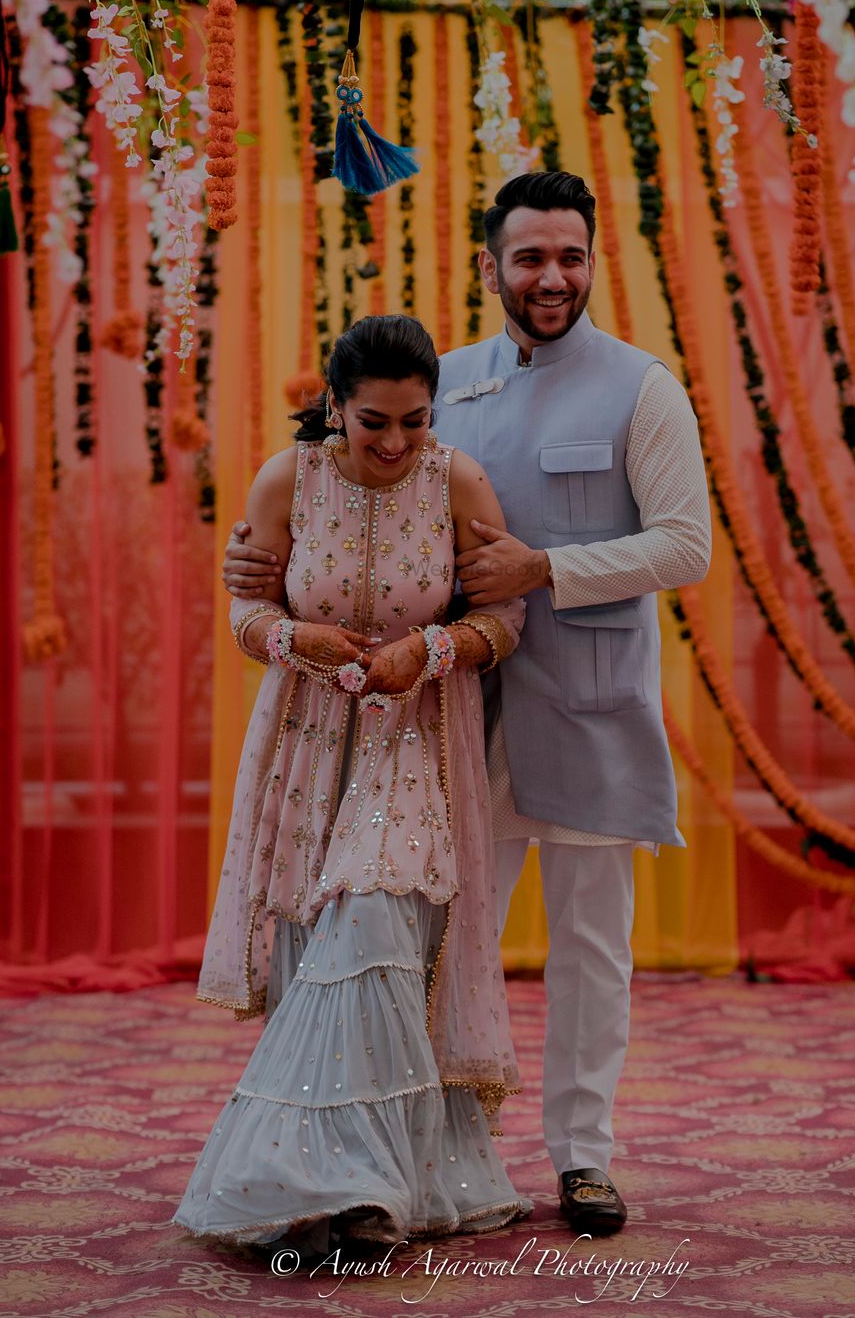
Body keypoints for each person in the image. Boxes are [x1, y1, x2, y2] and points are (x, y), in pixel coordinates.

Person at [223, 171, 712, 1238]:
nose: (551, 276)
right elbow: (350, 479)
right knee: (431, 945)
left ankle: (584, 1160)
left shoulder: (642, 386)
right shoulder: (446, 381)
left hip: (584, 710)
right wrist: (258, 566)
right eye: (529, 256)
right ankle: (430, 1157)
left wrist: (546, 570)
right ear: (488, 264)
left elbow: (685, 546)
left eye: (570, 256)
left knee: (590, 945)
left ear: (593, 260)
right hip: (444, 718)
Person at [174, 314, 532, 1254]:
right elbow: (247, 610)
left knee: (372, 920)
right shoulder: (289, 477)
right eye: (374, 421)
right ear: (335, 406)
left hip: (416, 738)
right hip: (306, 743)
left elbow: (505, 621)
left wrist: (432, 646)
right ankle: (341, 1188)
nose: (395, 443)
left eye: (415, 421)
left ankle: (357, 1178)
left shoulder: (455, 480)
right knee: (317, 946)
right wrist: (297, 638)